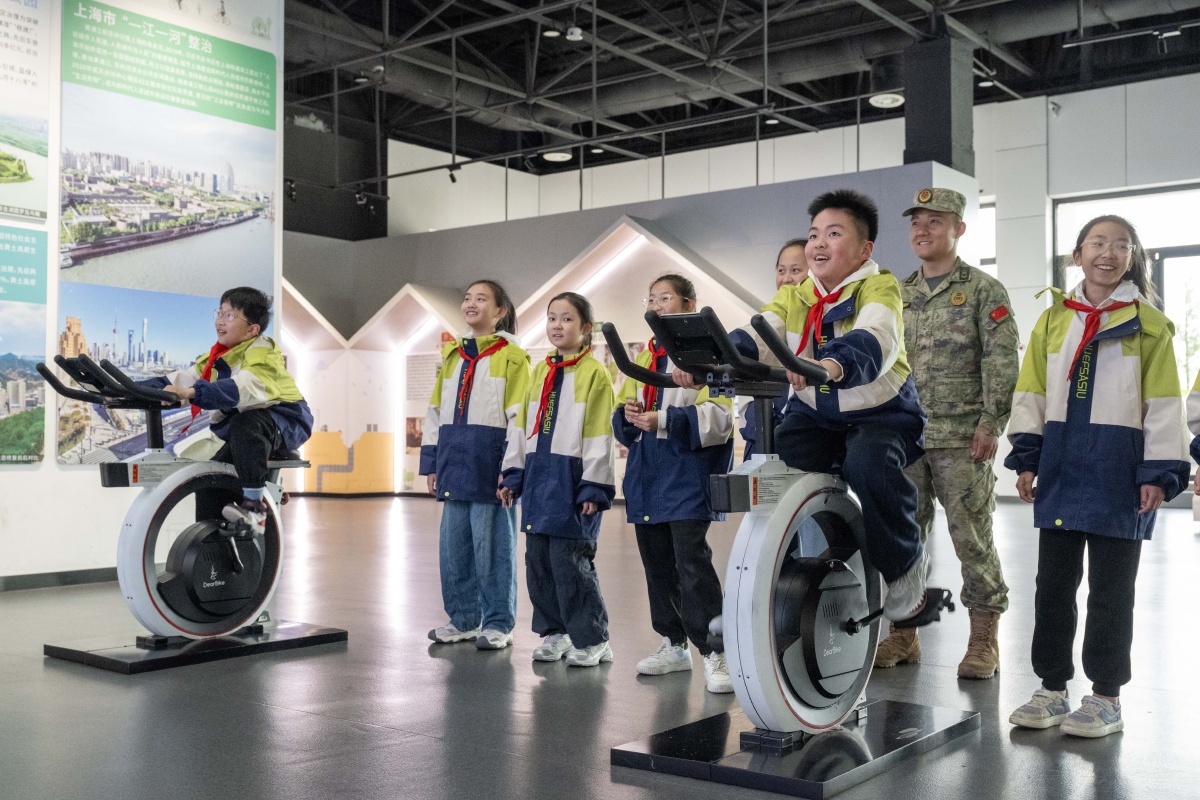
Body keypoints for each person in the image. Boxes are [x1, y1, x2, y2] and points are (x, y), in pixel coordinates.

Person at [1006, 215, 1190, 738]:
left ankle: (1106, 696)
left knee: (1111, 592)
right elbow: (1031, 393)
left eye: (1121, 246)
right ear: (1077, 254)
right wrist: (1028, 457)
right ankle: (1051, 689)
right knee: (1052, 587)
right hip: (1062, 468)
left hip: (1120, 473)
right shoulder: (1053, 321)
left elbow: (1164, 404)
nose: (1108, 253)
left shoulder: (1150, 325)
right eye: (1097, 243)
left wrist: (1158, 472)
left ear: (1133, 258)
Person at [717, 188, 932, 623]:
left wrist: (833, 363)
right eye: (814, 234)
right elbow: (760, 335)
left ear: (864, 249)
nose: (818, 243)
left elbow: (877, 336)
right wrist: (715, 356)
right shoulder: (797, 295)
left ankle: (904, 566)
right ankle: (771, 582)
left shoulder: (880, 285)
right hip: (816, 413)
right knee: (776, 465)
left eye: (833, 234)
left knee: (869, 466)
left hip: (881, 412)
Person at [876, 188, 1019, 679]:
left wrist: (991, 423)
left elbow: (1001, 361)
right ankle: (904, 632)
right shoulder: (896, 292)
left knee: (972, 540)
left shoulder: (983, 290)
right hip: (905, 435)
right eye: (916, 222)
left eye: (934, 221)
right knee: (904, 539)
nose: (922, 230)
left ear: (959, 228)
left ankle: (983, 640)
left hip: (962, 437)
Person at [614, 273, 736, 694]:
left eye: (664, 298)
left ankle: (717, 652)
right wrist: (628, 416)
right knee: (658, 567)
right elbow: (627, 417)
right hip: (647, 476)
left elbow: (720, 420)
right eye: (650, 299)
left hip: (685, 477)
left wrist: (662, 420)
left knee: (692, 566)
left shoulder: (707, 356)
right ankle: (674, 643)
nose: (656, 305)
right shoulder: (645, 357)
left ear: (689, 305)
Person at [501, 292, 617, 667]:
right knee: (539, 563)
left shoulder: (595, 373)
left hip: (573, 484)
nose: (557, 325)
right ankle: (556, 632)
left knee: (571, 565)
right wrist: (513, 474)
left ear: (586, 328)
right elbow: (521, 428)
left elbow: (600, 435)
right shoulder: (539, 372)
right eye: (552, 318)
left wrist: (594, 486)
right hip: (539, 482)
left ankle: (594, 639)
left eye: (567, 319)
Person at [421, 280, 531, 651]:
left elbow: (520, 417)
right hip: (454, 465)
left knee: (494, 550)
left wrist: (512, 469)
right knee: (454, 550)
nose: (470, 303)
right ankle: (463, 620)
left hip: (490, 468)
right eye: (467, 298)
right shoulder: (453, 355)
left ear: (500, 311)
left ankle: (499, 623)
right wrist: (432, 463)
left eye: (481, 299)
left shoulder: (513, 357)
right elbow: (435, 412)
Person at [151, 286, 313, 535]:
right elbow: (179, 380)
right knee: (212, 480)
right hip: (247, 427)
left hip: (285, 418)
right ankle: (212, 547)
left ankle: (255, 509)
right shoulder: (218, 356)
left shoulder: (262, 351)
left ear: (252, 330)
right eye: (219, 313)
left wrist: (193, 392)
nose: (220, 321)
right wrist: (121, 388)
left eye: (230, 315)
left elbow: (245, 386)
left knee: (247, 423)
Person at [741, 238, 808, 460]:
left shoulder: (821, 324)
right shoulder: (766, 321)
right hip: (760, 437)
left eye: (795, 270)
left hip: (802, 439)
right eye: (781, 270)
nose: (786, 278)